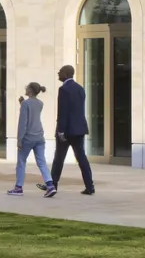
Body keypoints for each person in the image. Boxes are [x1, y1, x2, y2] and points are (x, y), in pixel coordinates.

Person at [46, 64, 95, 195]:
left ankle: (53, 185)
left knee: (59, 159)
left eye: (60, 72)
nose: (58, 73)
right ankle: (90, 186)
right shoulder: (80, 88)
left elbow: (63, 111)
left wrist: (60, 130)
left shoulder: (63, 90)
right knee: (81, 158)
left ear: (66, 74)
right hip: (79, 129)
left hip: (67, 130)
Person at [6, 82, 56, 197]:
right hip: (39, 137)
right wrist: (22, 103)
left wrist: (19, 139)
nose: (26, 88)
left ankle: (18, 187)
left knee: (21, 162)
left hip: (28, 137)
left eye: (27, 87)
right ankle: (50, 185)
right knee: (42, 162)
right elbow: (33, 114)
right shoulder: (40, 103)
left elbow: (23, 122)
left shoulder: (25, 104)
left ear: (31, 91)